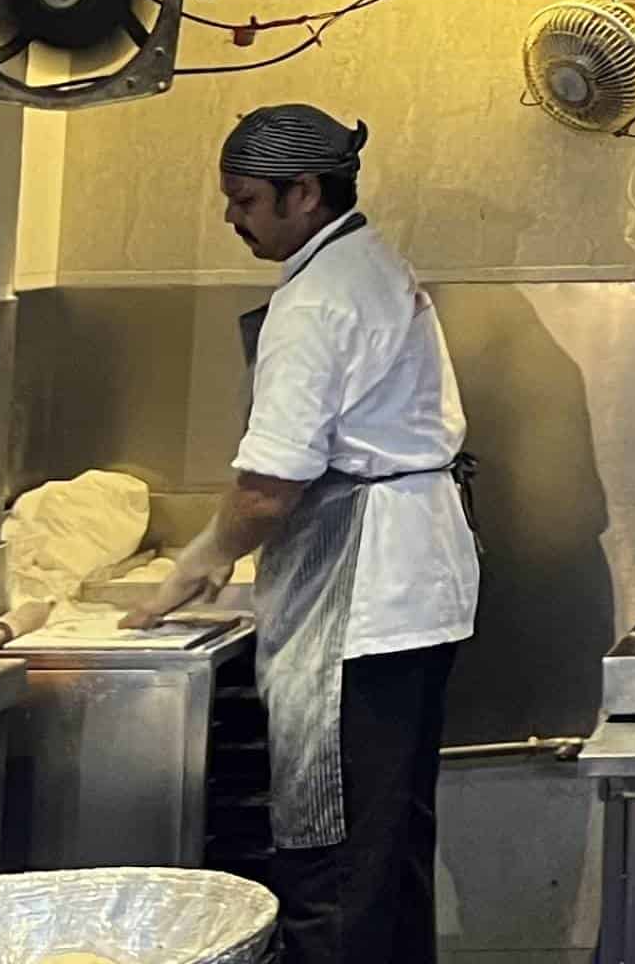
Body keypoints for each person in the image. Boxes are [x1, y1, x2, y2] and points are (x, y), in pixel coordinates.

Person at [120, 106, 478, 964]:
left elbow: (268, 489)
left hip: (365, 606)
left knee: (334, 860)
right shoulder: (368, 261)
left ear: (305, 192)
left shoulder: (318, 299)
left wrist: (198, 564)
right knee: (388, 854)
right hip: (417, 586)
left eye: (245, 201)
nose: (232, 219)